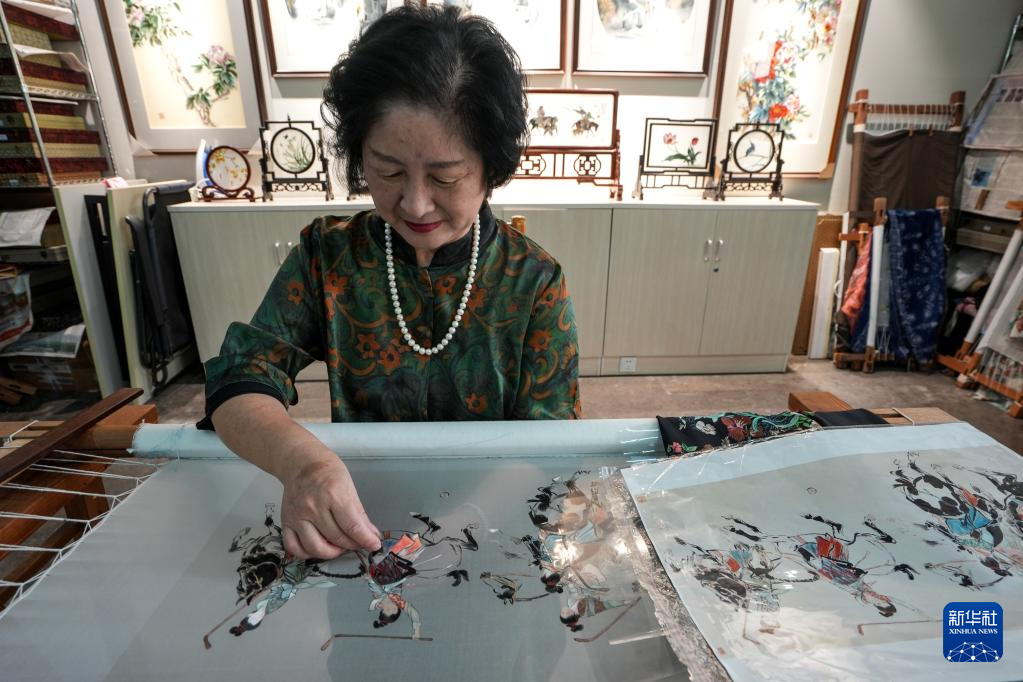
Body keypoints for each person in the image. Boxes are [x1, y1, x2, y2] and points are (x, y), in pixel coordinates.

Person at [200, 6, 580, 562]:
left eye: (446, 177)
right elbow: (239, 379)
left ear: (491, 168)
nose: (416, 204)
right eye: (388, 171)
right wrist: (303, 465)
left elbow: (553, 446)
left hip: (489, 535)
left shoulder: (534, 281)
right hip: (358, 533)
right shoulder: (329, 257)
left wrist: (450, 531)